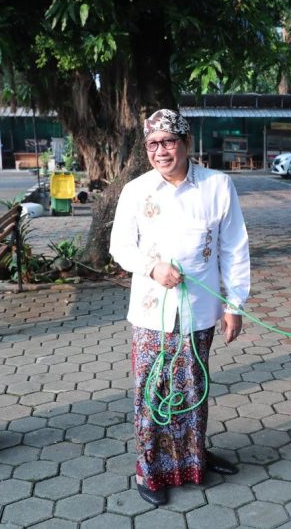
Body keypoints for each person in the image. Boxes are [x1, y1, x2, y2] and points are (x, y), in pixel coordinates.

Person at [110, 108, 250, 506]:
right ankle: (150, 470)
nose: (161, 151)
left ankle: (192, 461)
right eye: (153, 144)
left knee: (192, 389)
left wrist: (235, 304)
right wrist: (152, 267)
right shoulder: (136, 190)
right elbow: (120, 246)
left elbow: (234, 249)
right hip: (151, 311)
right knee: (152, 391)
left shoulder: (218, 186)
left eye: (169, 142)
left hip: (201, 310)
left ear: (187, 144)